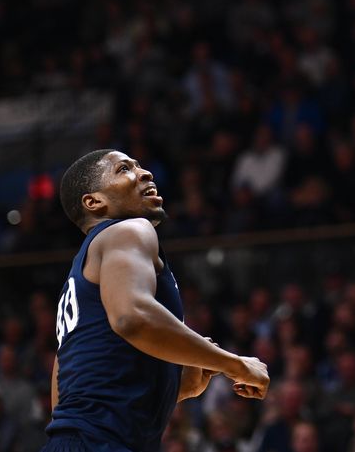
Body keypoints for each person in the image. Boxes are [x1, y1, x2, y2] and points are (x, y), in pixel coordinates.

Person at [43, 150, 269, 452]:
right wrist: (236, 364)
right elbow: (132, 318)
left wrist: (177, 386)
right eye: (124, 169)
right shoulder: (128, 230)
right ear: (94, 201)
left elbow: (68, 398)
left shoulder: (81, 279)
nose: (145, 173)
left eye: (140, 166)